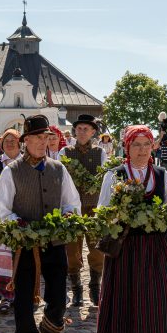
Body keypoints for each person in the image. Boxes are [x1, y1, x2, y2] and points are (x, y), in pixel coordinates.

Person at [0, 115, 81, 333]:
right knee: (22, 301)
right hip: (24, 246)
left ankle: (49, 329)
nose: (44, 142)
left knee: (58, 299)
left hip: (54, 243)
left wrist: (68, 217)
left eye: (47, 138)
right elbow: (2, 210)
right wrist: (18, 224)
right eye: (39, 138)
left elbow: (72, 202)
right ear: (26, 141)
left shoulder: (58, 169)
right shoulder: (12, 171)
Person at [96, 125, 167, 333]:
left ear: (152, 147)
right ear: (127, 147)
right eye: (136, 145)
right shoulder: (115, 175)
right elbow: (103, 209)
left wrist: (160, 217)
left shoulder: (161, 175)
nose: (142, 150)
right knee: (126, 298)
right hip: (126, 247)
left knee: (156, 299)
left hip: (156, 246)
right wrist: (120, 216)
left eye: (146, 144)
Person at [61, 114, 106, 306]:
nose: (81, 132)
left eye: (86, 129)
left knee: (96, 248)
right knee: (72, 249)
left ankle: (95, 286)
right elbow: (60, 180)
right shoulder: (65, 151)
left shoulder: (100, 153)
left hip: (93, 206)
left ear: (93, 132)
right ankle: (76, 287)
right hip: (72, 208)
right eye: (79, 128)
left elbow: (105, 180)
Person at [0, 128, 21, 313]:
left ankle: (21, 293)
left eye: (13, 140)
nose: (9, 143)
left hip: (22, 213)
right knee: (2, 256)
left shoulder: (25, 163)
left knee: (19, 254)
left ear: (19, 142)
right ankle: (4, 296)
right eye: (6, 140)